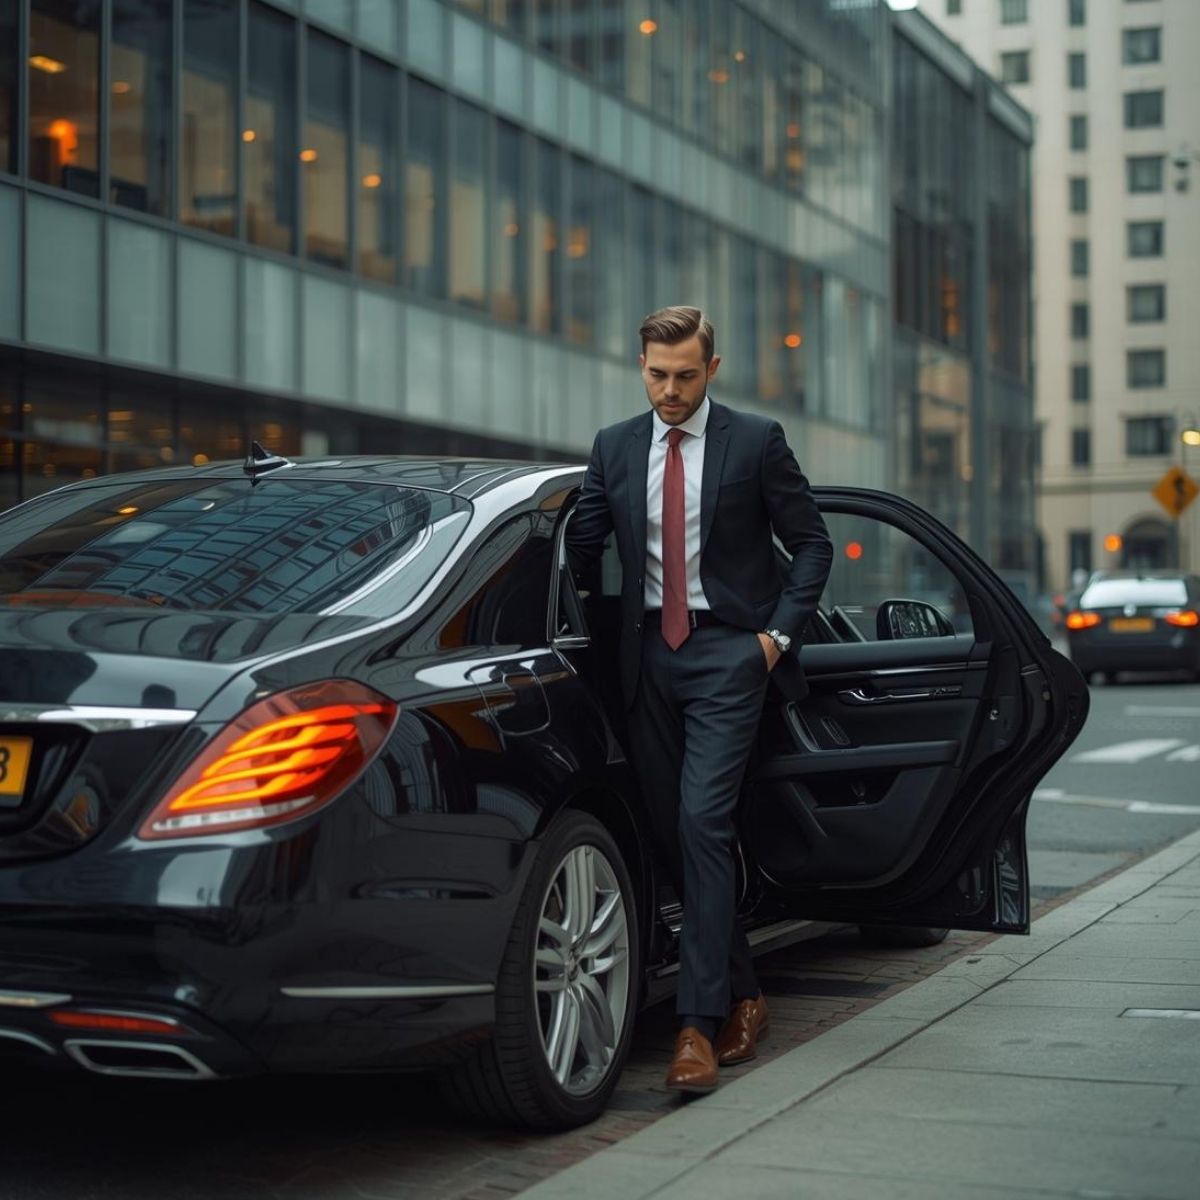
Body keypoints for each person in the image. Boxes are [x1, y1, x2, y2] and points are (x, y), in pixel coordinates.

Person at [566, 305, 833, 1094]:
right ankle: (746, 990)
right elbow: (585, 548)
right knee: (673, 836)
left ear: (711, 369)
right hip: (646, 659)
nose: (671, 391)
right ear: (640, 365)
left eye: (686, 376)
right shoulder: (614, 447)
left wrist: (774, 638)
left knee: (702, 820)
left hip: (727, 655)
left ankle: (696, 1027)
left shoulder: (755, 442)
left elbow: (812, 542)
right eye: (657, 375)